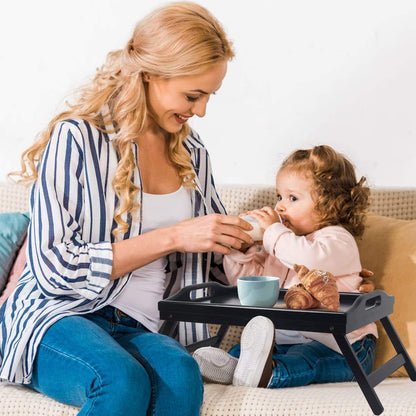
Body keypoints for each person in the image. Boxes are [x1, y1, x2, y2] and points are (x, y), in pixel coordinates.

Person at [0, 3, 254, 415]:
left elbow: (209, 258)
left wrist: (254, 245)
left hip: (141, 325)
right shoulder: (77, 139)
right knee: (119, 379)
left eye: (209, 96)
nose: (202, 110)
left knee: (181, 375)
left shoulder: (193, 153)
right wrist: (173, 235)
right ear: (151, 73)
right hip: (61, 315)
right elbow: (52, 269)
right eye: (194, 95)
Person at [193, 145, 378, 389]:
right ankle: (238, 368)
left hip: (343, 345)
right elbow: (249, 284)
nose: (280, 206)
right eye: (279, 196)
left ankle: (270, 375)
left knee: (306, 359)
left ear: (329, 205)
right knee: (242, 348)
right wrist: (243, 252)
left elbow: (310, 260)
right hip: (287, 340)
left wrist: (273, 232)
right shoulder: (283, 243)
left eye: (292, 198)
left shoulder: (338, 240)